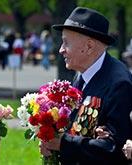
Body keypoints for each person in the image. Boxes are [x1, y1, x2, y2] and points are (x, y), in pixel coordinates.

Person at [40, 7, 132, 165]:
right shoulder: (82, 73)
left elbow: (117, 148)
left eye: (66, 42)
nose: (61, 49)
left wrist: (63, 143)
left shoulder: (119, 83)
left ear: (89, 47)